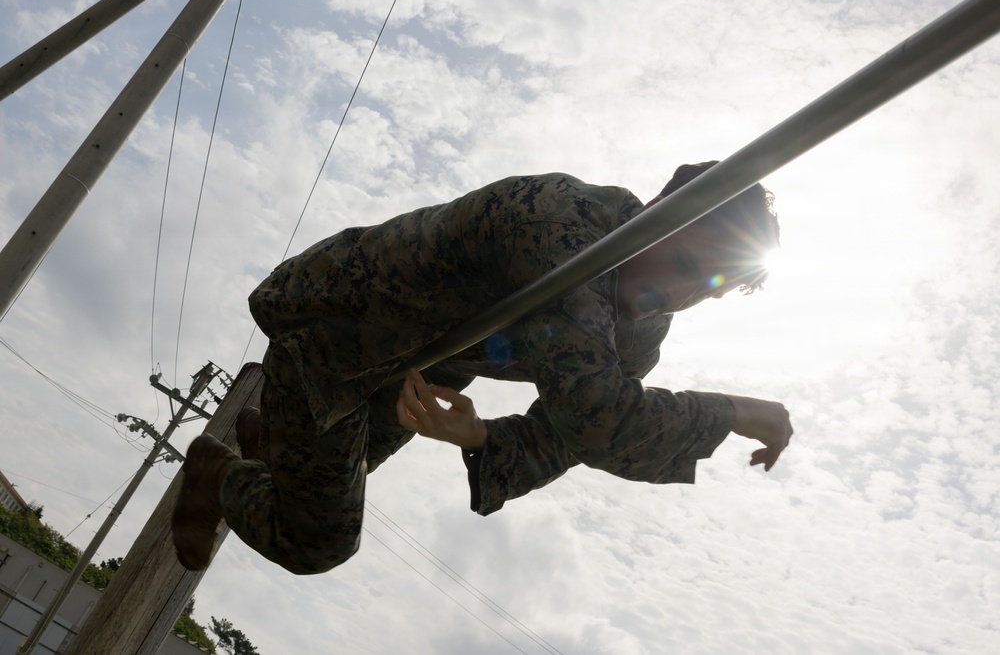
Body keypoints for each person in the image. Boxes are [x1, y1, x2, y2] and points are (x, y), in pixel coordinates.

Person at [172, 162, 794, 574]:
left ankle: (276, 442)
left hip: (412, 368)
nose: (683, 295)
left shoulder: (642, 327)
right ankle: (216, 473)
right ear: (657, 207)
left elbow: (568, 436)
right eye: (685, 263)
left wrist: (485, 437)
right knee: (317, 539)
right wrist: (734, 411)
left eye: (708, 290)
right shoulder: (564, 226)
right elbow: (602, 422)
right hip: (336, 335)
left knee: (346, 467)